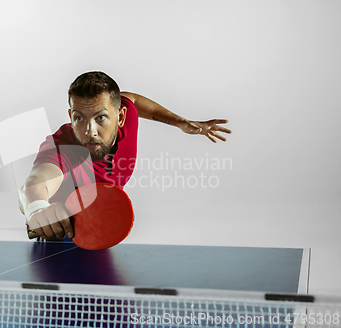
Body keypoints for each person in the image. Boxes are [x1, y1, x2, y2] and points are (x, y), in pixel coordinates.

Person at [18, 71, 231, 240]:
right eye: (79, 118)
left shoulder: (127, 120)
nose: (90, 131)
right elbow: (37, 181)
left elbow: (134, 100)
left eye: (101, 117)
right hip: (61, 233)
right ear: (70, 116)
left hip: (99, 229)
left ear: (120, 116)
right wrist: (36, 208)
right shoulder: (62, 146)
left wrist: (180, 122)